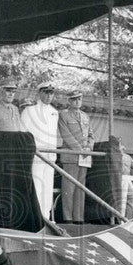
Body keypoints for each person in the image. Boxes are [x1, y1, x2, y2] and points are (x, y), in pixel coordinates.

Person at [20, 83, 60, 221]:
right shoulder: (29, 111)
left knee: (48, 187)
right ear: (40, 93)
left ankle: (46, 216)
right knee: (36, 185)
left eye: (51, 93)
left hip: (50, 155)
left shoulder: (54, 112)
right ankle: (35, 217)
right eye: (46, 92)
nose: (49, 96)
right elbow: (23, 133)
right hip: (36, 155)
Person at [57, 90, 94, 223]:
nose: (77, 101)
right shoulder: (64, 115)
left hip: (84, 156)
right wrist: (79, 150)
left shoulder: (85, 116)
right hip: (71, 155)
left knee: (81, 188)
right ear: (69, 101)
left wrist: (89, 147)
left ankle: (78, 218)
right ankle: (68, 218)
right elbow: (66, 135)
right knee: (69, 188)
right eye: (74, 99)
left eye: (79, 99)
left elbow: (91, 135)